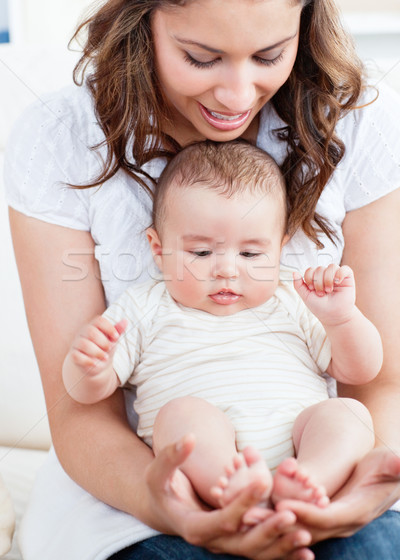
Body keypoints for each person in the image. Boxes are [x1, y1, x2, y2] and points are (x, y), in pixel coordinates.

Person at [4, 0, 400, 559]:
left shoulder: (356, 123)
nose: (237, 96)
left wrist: (354, 491)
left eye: (269, 55)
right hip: (139, 486)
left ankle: (309, 483)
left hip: (315, 466)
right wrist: (164, 499)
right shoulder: (60, 140)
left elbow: (376, 380)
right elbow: (80, 410)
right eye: (201, 57)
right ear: (143, 21)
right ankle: (224, 483)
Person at [62, 140, 383, 517]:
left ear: (280, 249)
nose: (227, 269)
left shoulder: (295, 298)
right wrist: (89, 366)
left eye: (250, 254)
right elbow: (88, 394)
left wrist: (341, 319)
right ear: (157, 248)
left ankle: (309, 480)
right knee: (182, 415)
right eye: (201, 253)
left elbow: (360, 371)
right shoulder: (143, 308)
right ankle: (229, 486)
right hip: (205, 470)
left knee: (350, 414)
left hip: (299, 445)